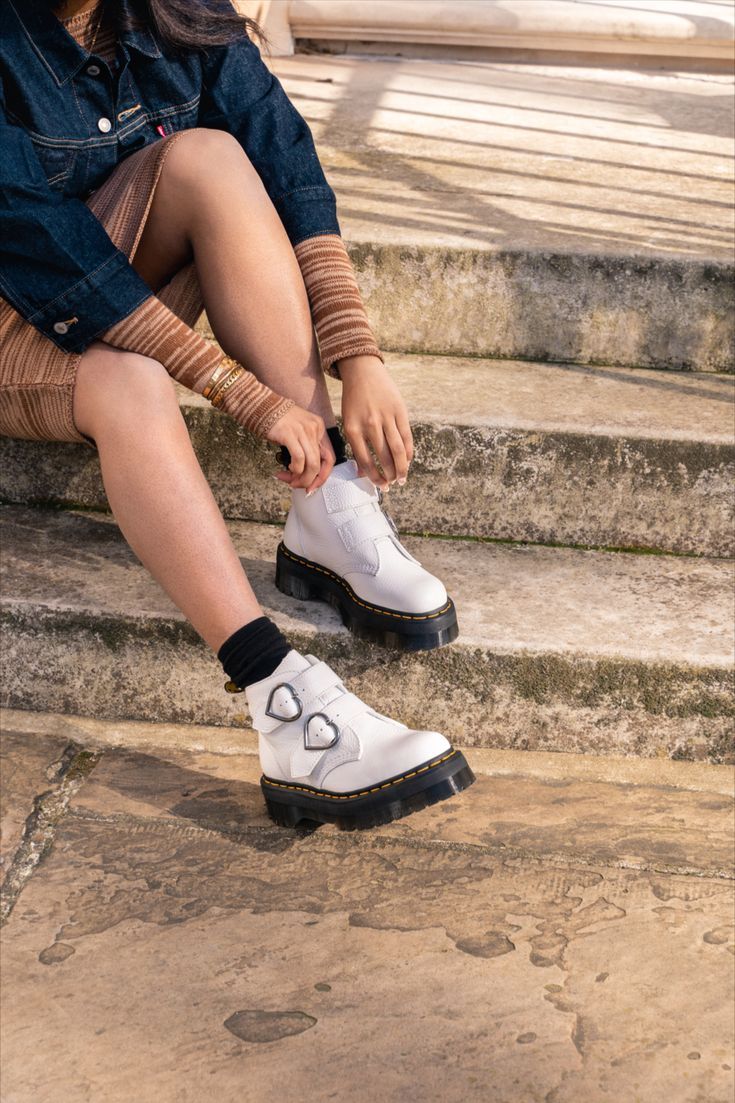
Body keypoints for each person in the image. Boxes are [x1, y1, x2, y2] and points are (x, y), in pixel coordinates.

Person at [0, 0, 474, 828]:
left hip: (96, 274)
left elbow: (280, 151)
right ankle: (282, 702)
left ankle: (325, 498)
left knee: (212, 157)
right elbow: (33, 238)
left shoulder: (173, 10)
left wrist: (356, 352)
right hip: (14, 300)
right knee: (130, 383)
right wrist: (236, 390)